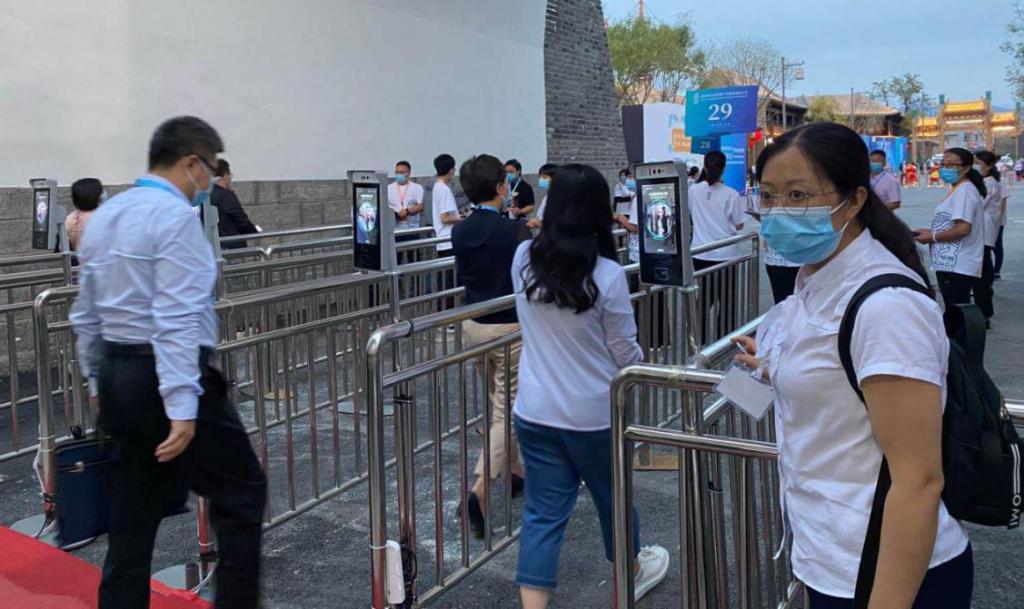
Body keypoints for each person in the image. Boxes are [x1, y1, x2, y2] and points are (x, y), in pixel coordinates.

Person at [738, 122, 971, 609]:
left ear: (855, 200)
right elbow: (841, 381)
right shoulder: (814, 281)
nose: (778, 211)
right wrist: (776, 368)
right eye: (768, 196)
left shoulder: (886, 308)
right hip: (829, 556)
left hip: (884, 573)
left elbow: (919, 480)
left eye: (798, 195)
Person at [69, 116, 267, 609]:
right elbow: (176, 316)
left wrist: (96, 381)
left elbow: (85, 313)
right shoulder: (175, 218)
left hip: (117, 373)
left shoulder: (107, 215)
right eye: (211, 169)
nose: (210, 181)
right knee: (242, 494)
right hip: (166, 376)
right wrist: (181, 407)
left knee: (131, 511)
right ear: (192, 163)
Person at [511, 163, 669, 609]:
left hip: (535, 410)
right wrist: (641, 366)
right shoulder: (607, 275)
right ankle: (628, 577)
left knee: (542, 514)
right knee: (613, 499)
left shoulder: (523, 258)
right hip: (597, 416)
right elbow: (624, 350)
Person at [451, 154, 532, 537]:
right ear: (501, 187)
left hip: (474, 326)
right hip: (509, 328)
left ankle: (515, 472)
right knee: (506, 410)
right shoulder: (514, 231)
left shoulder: (460, 231)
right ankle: (480, 490)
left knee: (498, 403)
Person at [913, 148, 986, 335]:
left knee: (956, 315)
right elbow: (951, 224)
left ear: (966, 167)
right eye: (943, 164)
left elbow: (963, 229)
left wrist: (933, 237)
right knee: (953, 312)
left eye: (952, 165)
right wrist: (931, 232)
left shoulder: (965, 191)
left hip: (958, 264)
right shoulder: (958, 189)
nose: (946, 169)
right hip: (949, 262)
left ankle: (961, 350)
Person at [690, 151, 745, 343]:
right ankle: (725, 341)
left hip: (700, 253)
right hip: (726, 254)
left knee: (704, 299)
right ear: (724, 168)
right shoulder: (732, 194)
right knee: (727, 300)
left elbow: (689, 214)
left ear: (704, 166)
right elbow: (739, 224)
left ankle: (700, 341)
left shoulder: (693, 191)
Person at [972, 150, 1001, 325]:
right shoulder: (984, 181)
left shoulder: (989, 183)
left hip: (983, 231)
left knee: (982, 272)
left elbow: (977, 204)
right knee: (983, 270)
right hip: (981, 231)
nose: (975, 165)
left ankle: (984, 313)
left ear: (987, 164)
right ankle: (984, 309)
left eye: (977, 162)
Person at [211, 159, 258, 249]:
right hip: (231, 245)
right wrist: (253, 232)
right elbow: (241, 220)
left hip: (213, 246)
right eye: (230, 175)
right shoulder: (226, 195)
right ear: (225, 175)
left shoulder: (205, 195)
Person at [66, 177, 105, 251]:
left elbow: (64, 244)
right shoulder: (104, 217)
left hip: (78, 256)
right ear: (97, 197)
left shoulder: (70, 218)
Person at [527, 163, 558, 230]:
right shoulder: (547, 197)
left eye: (544, 177)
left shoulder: (558, 198)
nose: (541, 180)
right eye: (540, 177)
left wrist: (538, 223)